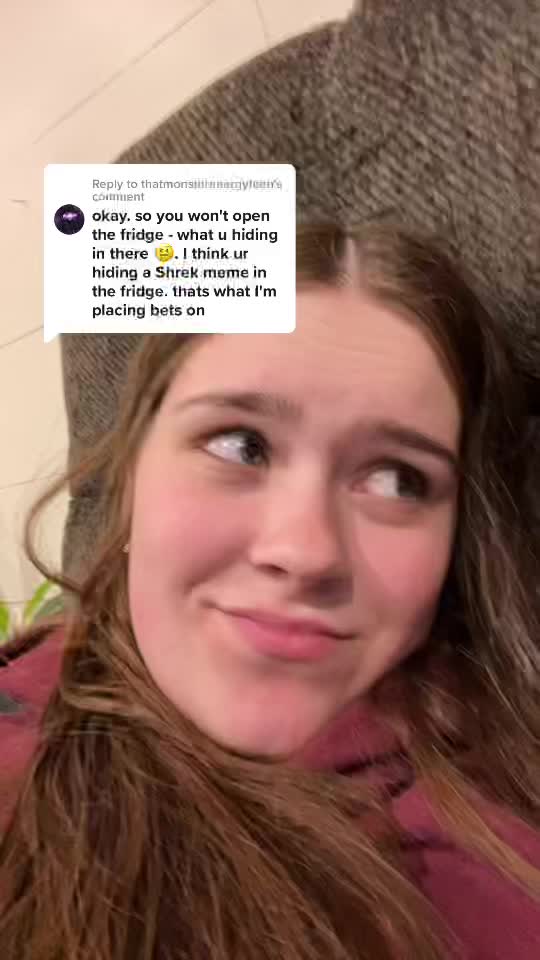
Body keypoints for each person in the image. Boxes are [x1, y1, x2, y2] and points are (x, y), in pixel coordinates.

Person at [1, 222, 539, 959]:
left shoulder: (487, 859)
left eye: (396, 480)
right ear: (131, 477)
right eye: (241, 445)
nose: (305, 552)